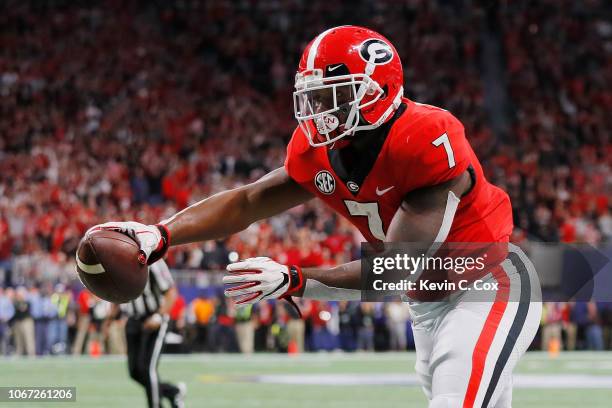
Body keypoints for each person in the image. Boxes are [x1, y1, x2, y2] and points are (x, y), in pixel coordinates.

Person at [90, 26, 541, 408]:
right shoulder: (321, 151)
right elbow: (248, 202)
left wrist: (295, 279)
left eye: (335, 96)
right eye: (314, 98)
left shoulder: (425, 137)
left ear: (377, 92)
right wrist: (161, 235)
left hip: (484, 283)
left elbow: (394, 267)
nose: (321, 112)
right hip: (427, 301)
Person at [108, 259, 186, 408]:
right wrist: (110, 317)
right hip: (133, 320)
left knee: (147, 369)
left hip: (155, 317)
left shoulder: (153, 261)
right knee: (135, 372)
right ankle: (172, 392)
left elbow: (171, 292)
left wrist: (158, 316)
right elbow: (117, 291)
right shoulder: (118, 260)